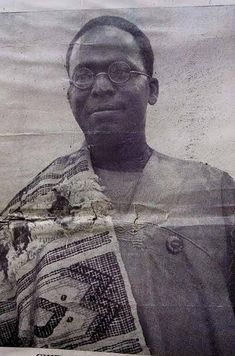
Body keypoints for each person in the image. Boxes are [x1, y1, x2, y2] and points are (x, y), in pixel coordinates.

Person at [0, 15, 234, 355]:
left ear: (152, 90)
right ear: (69, 96)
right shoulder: (26, 214)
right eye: (83, 75)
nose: (101, 86)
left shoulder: (216, 191)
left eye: (121, 71)